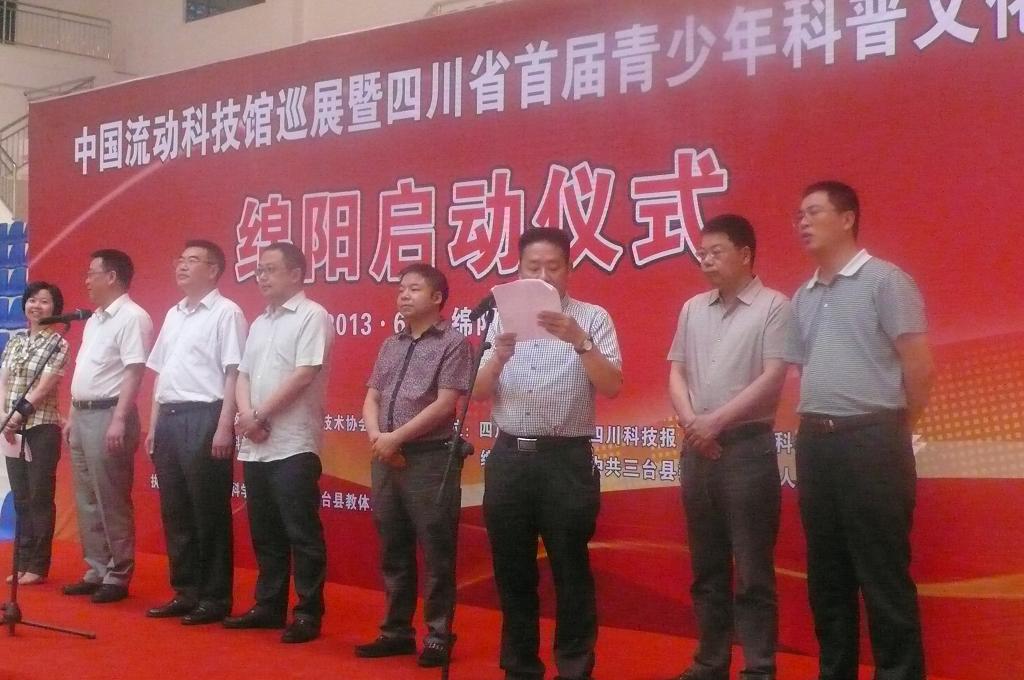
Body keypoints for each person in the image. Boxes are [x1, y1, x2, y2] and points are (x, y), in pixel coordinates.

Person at [788, 181, 934, 680]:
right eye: (799, 216)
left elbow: (919, 367)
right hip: (816, 443)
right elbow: (807, 369)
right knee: (826, 575)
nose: (803, 222)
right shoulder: (803, 295)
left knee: (882, 573)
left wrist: (893, 428)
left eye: (814, 212)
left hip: (873, 441)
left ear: (847, 218)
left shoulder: (886, 281)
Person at [473, 227, 623, 680]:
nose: (543, 275)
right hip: (510, 459)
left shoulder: (592, 318)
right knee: (512, 569)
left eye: (552, 266)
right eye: (532, 267)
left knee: (570, 568)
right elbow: (477, 392)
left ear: (569, 270)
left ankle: (574, 667)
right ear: (519, 271)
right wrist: (497, 358)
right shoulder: (501, 320)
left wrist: (580, 341)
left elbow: (612, 386)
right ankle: (520, 666)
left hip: (566, 461)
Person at [665, 215, 792, 680]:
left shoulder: (775, 306)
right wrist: (692, 423)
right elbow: (676, 371)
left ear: (745, 254)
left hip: (745, 451)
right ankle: (710, 661)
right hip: (697, 451)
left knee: (753, 569)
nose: (706, 260)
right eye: (702, 253)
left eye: (716, 252)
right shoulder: (692, 308)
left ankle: (759, 667)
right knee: (706, 566)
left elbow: (773, 377)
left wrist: (715, 422)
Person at [355, 263, 473, 668]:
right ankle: (395, 632)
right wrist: (378, 436)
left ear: (437, 298)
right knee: (393, 546)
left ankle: (438, 635)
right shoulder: (391, 343)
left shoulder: (453, 342)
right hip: (384, 456)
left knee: (437, 550)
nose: (403, 295)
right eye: (401, 288)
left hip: (430, 457)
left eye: (414, 289)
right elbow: (371, 397)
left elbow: (445, 405)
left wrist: (396, 438)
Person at [224, 242, 332, 644]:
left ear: (296, 274)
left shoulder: (312, 315)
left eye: (270, 269)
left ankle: (307, 612)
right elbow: (243, 375)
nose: (262, 277)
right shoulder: (259, 322)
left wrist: (259, 415)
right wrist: (246, 416)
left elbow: (304, 374)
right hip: (256, 443)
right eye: (259, 270)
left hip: (293, 442)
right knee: (265, 530)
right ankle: (268, 605)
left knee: (301, 531)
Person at [144, 240, 247, 625]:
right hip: (169, 417)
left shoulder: (226, 312)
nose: (182, 266)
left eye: (193, 260)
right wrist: (153, 424)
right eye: (180, 260)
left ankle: (215, 598)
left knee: (209, 511)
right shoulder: (174, 314)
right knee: (176, 511)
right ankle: (185, 591)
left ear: (214, 270)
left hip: (206, 416)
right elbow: (162, 373)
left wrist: (224, 425)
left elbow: (234, 373)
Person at [63, 249, 153, 603]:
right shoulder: (95, 320)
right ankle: (97, 568)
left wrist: (119, 418)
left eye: (92, 273)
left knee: (110, 497)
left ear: (112, 276)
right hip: (82, 414)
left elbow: (134, 370)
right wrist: (72, 415)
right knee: (86, 497)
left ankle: (118, 572)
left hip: (109, 414)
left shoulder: (133, 317)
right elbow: (86, 373)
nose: (86, 281)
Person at [0, 281, 71, 586]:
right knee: (21, 498)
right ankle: (22, 562)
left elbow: (43, 388)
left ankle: (38, 566)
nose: (36, 306)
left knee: (40, 496)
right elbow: (3, 381)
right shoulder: (15, 342)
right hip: (10, 428)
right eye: (32, 300)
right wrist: (4, 416)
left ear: (55, 309)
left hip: (41, 427)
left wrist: (16, 417)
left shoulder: (58, 343)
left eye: (44, 301)